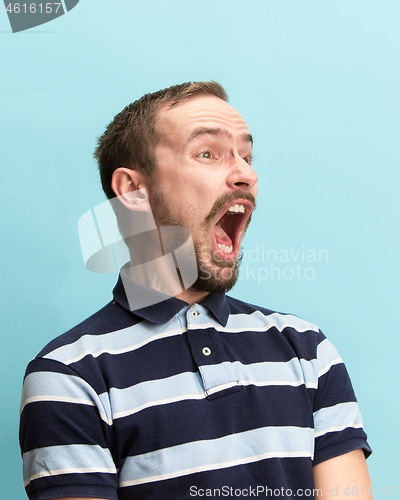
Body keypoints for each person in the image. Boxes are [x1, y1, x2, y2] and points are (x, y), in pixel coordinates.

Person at [20, 82, 373, 500]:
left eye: (247, 155)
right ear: (132, 191)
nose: (246, 173)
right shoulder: (69, 377)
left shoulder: (308, 351)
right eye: (208, 153)